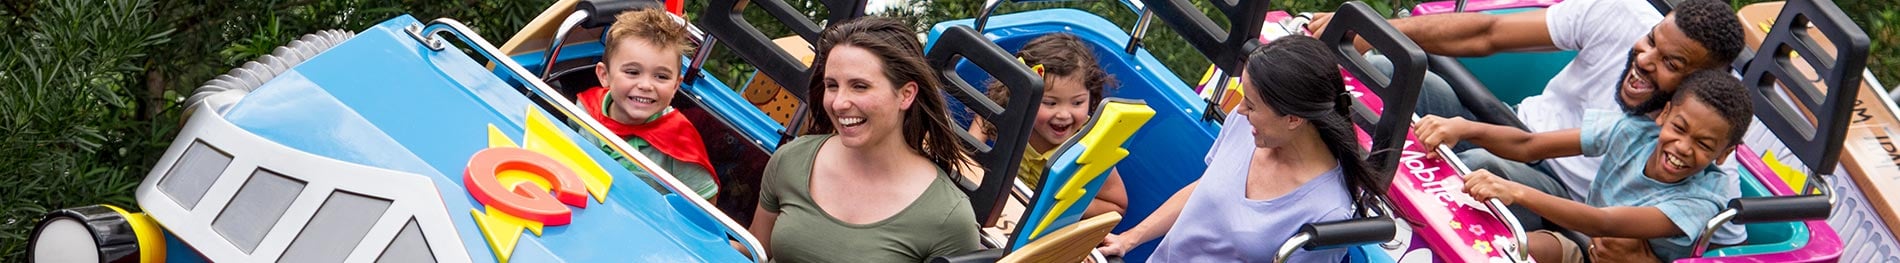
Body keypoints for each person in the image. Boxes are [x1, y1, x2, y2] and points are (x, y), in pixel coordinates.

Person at [1309, 0, 1745, 200]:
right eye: (1649, 42)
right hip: (1510, 127)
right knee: (1389, 76)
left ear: (1704, 81)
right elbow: (1489, 33)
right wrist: (1372, 33)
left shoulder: (1695, 132)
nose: (1644, 60)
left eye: (1670, 62)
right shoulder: (1619, 14)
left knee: (1481, 171)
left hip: (1559, 193)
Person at [1096, 36, 1388, 262]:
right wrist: (1129, 239)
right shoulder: (1247, 126)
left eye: (1251, 104)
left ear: (1293, 119)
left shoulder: (1327, 212)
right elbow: (1204, 189)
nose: (1239, 109)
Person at [1446, 70, 1753, 262]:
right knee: (1514, 248)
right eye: (1679, 128)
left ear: (1724, 154)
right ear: (1665, 114)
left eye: (1703, 145)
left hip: (1601, 240)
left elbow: (1604, 222)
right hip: (1584, 246)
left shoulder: (1704, 200)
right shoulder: (1634, 131)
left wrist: (1516, 191)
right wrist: (1465, 129)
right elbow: (1530, 145)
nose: (1683, 147)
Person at [748, 17, 982, 262]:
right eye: (832, 85)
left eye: (859, 86)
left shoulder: (948, 217)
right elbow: (755, 250)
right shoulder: (792, 159)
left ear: (906, 95)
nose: (839, 103)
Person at [967, 33, 1129, 217]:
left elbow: (1116, 205)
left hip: (1041, 225)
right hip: (999, 206)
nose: (1064, 115)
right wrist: (971, 156)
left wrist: (1056, 205)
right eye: (1050, 103)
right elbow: (976, 134)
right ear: (1024, 94)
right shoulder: (1009, 112)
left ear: (1091, 97)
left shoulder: (1091, 146)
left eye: (1077, 103)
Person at [575, 9, 719, 200]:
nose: (645, 85)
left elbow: (706, 209)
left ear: (676, 86)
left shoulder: (681, 142)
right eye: (632, 72)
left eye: (661, 76)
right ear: (604, 76)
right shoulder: (584, 108)